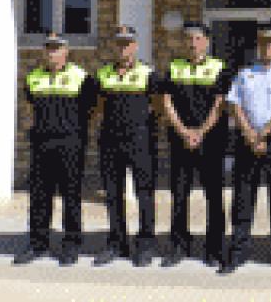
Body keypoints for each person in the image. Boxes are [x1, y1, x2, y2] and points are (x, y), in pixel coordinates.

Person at [220, 24, 271, 273]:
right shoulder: (246, 72)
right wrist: (249, 133)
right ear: (258, 45)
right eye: (263, 42)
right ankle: (238, 252)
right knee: (242, 198)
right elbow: (234, 105)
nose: (267, 47)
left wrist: (263, 132)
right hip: (247, 142)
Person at [13, 32, 97, 266]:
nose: (52, 52)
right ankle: (37, 244)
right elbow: (29, 107)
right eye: (49, 48)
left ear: (66, 51)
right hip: (42, 144)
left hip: (70, 144)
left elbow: (92, 108)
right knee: (39, 197)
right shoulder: (33, 77)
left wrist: (75, 131)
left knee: (71, 196)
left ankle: (71, 245)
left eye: (57, 48)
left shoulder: (81, 76)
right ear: (44, 51)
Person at [161, 21, 231, 268]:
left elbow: (219, 105)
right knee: (179, 194)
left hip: (210, 142)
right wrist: (183, 131)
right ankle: (179, 245)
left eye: (198, 38)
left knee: (214, 195)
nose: (193, 43)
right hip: (181, 141)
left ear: (207, 42)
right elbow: (167, 102)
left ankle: (214, 248)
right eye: (188, 38)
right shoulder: (174, 67)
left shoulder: (219, 68)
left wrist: (200, 132)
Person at [93, 25, 161, 268]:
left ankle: (145, 244)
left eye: (127, 42)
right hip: (111, 142)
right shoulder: (103, 74)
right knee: (113, 195)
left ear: (135, 46)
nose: (123, 47)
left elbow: (158, 106)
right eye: (119, 42)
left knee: (144, 194)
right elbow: (98, 106)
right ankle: (117, 243)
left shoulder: (148, 73)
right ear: (114, 45)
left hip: (141, 142)